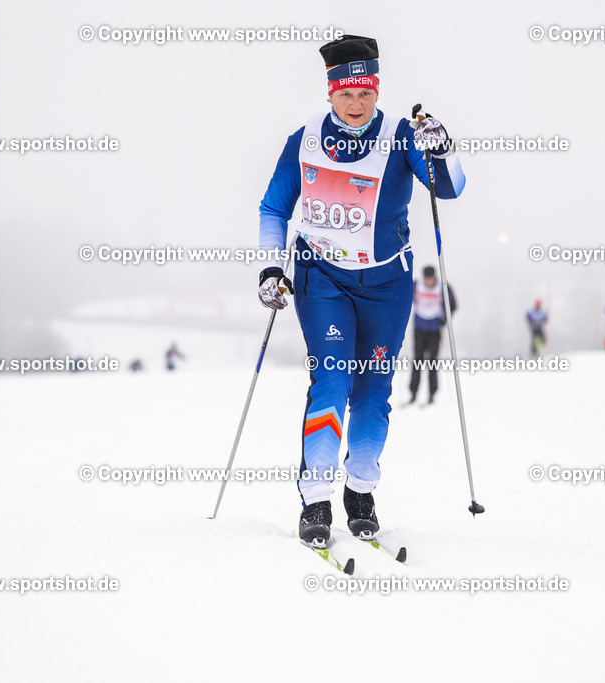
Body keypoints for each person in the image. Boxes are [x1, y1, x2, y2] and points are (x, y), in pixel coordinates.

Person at [256, 34, 465, 547]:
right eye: (345, 94)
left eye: (365, 93)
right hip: (321, 276)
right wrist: (269, 267)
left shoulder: (401, 136)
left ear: (377, 90)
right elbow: (273, 208)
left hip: (387, 282)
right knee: (331, 380)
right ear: (330, 93)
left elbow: (449, 187)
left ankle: (360, 489)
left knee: (373, 391)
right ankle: (317, 499)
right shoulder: (303, 140)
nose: (355, 103)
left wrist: (444, 150)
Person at [408, 265, 456, 404]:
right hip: (419, 327)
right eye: (427, 279)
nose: (429, 282)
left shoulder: (443, 287)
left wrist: (445, 318)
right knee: (417, 360)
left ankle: (432, 393)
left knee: (433, 361)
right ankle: (413, 393)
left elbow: (452, 304)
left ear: (435, 277)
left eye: (431, 279)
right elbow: (405, 298)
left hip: (435, 329)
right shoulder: (417, 285)